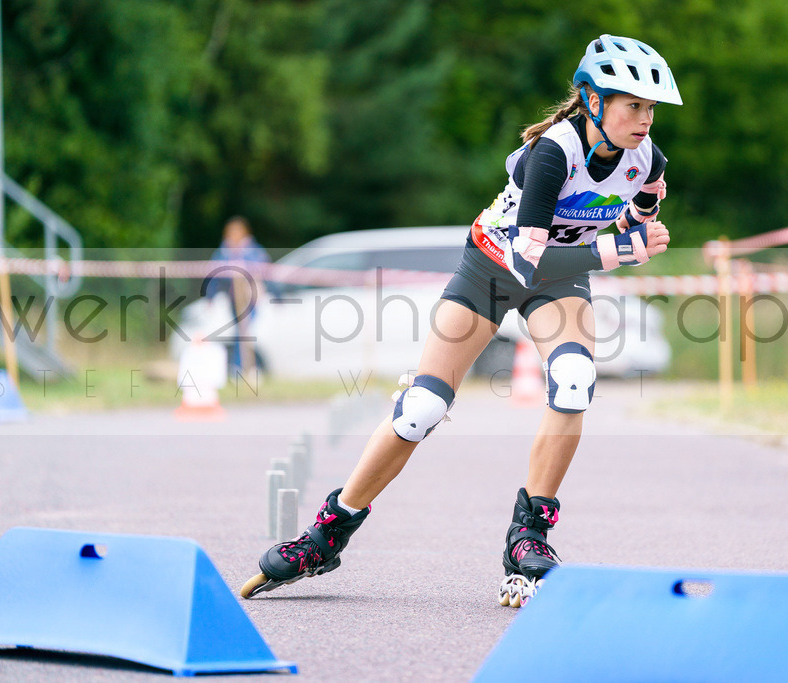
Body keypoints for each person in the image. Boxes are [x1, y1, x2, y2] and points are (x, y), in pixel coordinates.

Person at [240, 35, 679, 605]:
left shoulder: (649, 156)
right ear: (592, 101)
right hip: (492, 270)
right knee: (421, 408)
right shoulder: (553, 152)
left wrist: (643, 220)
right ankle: (329, 532)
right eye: (632, 106)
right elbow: (529, 258)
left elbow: (642, 204)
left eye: (650, 109)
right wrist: (624, 250)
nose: (645, 120)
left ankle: (530, 535)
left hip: (558, 281)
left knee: (574, 383)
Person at [204, 216, 272, 373]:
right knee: (240, 333)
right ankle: (240, 367)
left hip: (252, 299)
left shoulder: (253, 251)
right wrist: (210, 297)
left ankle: (243, 367)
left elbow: (265, 271)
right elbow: (213, 276)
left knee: (244, 332)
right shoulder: (223, 252)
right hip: (234, 299)